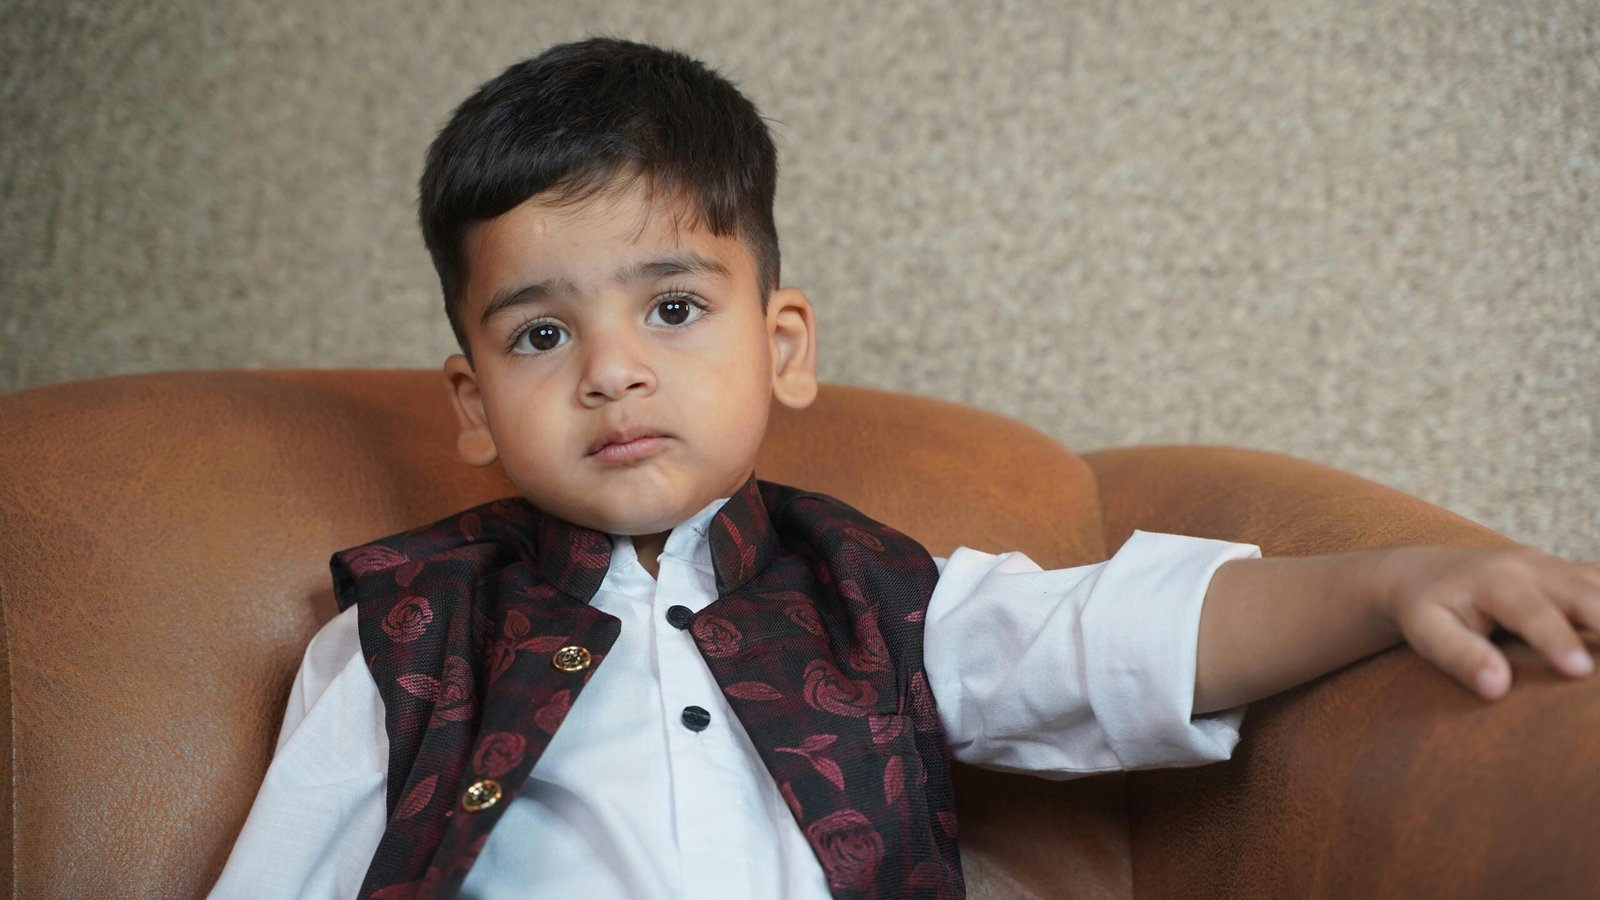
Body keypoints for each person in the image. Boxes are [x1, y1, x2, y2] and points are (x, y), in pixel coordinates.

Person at [209, 37, 1599, 900]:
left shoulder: (884, 602)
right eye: (541, 331)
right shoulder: (399, 637)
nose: (611, 369)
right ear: (472, 399)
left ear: (783, 343)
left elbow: (1114, 637)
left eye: (674, 308)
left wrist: (1393, 584)